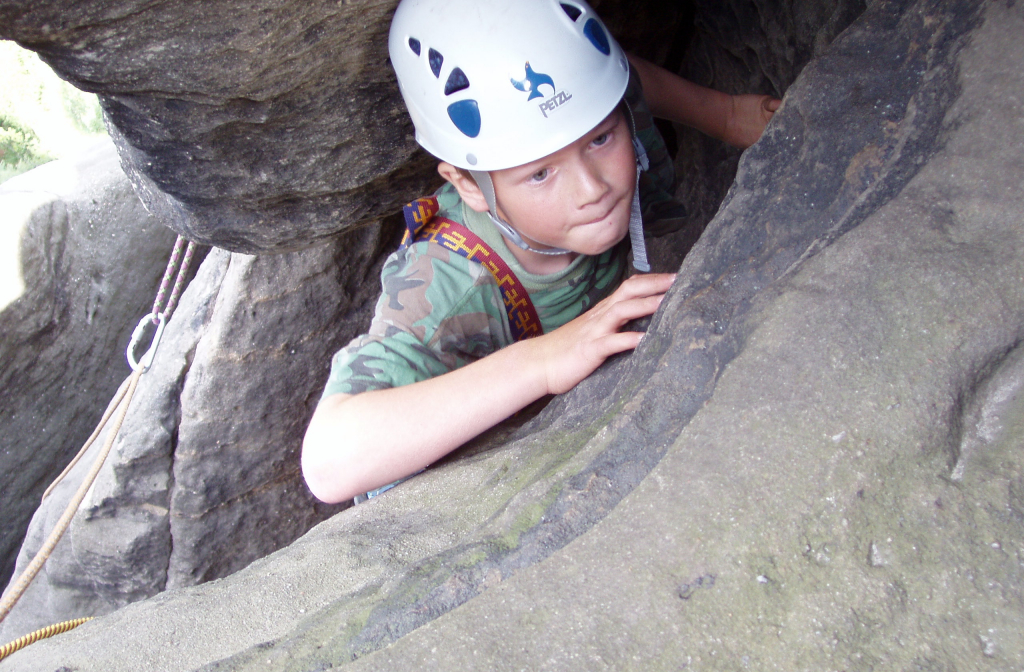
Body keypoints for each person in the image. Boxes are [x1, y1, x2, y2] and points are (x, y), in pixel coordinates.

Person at [302, 0, 779, 504]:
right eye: (540, 173)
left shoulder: (580, 127)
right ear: (466, 184)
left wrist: (725, 114)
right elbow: (330, 461)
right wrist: (546, 361)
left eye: (599, 139)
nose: (591, 188)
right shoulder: (446, 286)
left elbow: (622, 84)